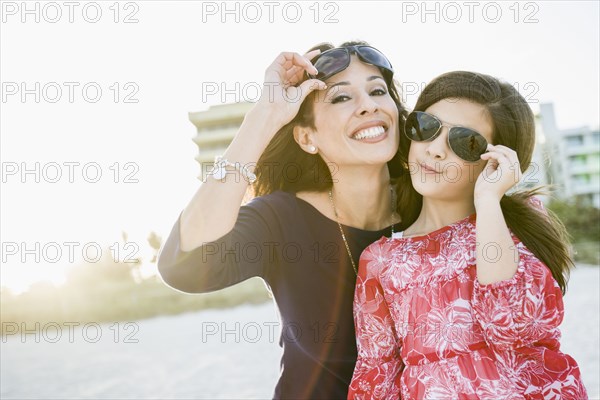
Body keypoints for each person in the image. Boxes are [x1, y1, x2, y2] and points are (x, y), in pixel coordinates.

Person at [157, 41, 408, 399]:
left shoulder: (428, 210)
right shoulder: (281, 219)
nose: (368, 105)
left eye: (377, 91)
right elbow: (185, 263)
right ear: (307, 138)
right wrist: (266, 114)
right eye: (341, 98)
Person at [348, 71, 588, 399]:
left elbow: (511, 327)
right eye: (427, 127)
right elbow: (377, 371)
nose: (434, 150)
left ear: (497, 159)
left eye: (465, 142)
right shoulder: (380, 260)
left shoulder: (511, 227)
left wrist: (489, 201)